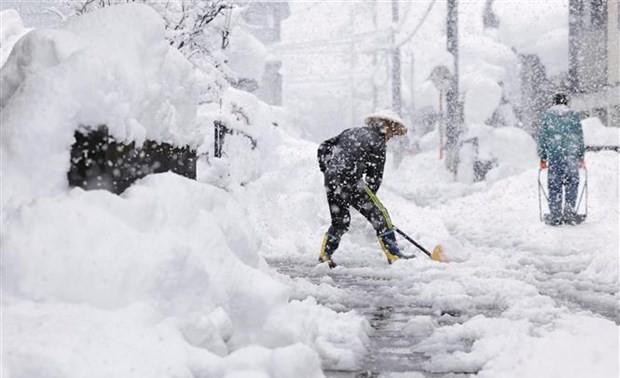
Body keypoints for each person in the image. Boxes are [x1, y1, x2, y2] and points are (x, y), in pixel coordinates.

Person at [317, 110, 410, 268]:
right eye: (391, 134)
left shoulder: (351, 131)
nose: (390, 138)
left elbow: (323, 146)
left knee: (340, 221)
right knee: (381, 215)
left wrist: (327, 168)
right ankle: (394, 255)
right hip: (351, 180)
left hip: (331, 179)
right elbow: (375, 177)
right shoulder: (378, 142)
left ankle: (325, 255)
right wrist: (366, 202)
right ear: (386, 127)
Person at [537, 93, 586, 226]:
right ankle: (569, 213)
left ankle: (555, 215)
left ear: (554, 102)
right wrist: (581, 156)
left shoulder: (547, 117)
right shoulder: (573, 116)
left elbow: (542, 137)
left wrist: (542, 157)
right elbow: (579, 137)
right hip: (571, 156)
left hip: (555, 156)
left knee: (554, 186)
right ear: (566, 102)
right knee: (572, 185)